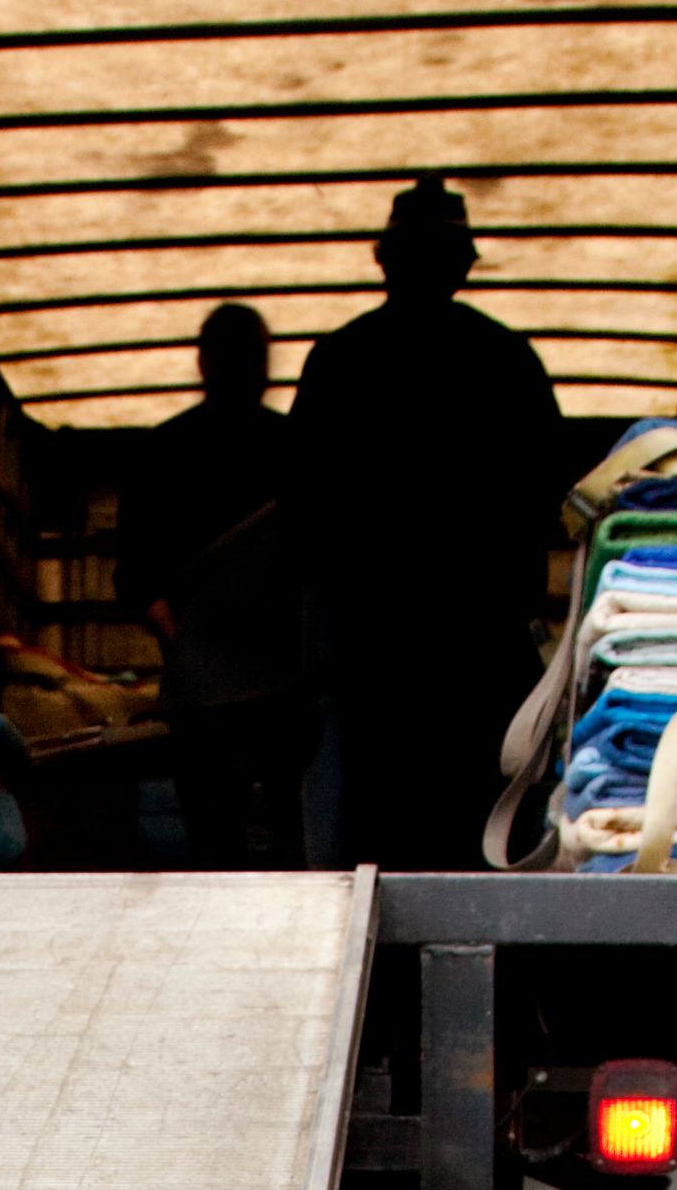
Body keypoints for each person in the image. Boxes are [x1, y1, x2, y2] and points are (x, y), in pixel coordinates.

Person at [287, 177, 568, 869]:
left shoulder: (339, 360)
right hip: (480, 644)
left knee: (382, 830)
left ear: (383, 261)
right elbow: (550, 493)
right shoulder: (507, 359)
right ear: (463, 266)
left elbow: (300, 508)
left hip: (375, 651)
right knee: (479, 826)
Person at [115, 302, 308, 869]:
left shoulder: (294, 448)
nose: (248, 369)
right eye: (237, 357)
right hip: (213, 685)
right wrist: (182, 642)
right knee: (225, 842)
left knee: (280, 839)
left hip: (279, 680)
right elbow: (137, 575)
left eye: (253, 357)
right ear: (206, 363)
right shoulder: (166, 451)